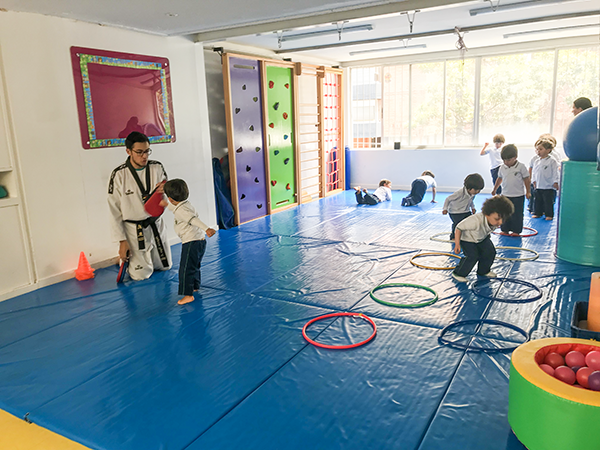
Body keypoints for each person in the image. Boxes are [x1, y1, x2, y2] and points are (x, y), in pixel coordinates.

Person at [108, 132, 172, 280]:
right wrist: (122, 241)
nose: (144, 156)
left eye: (147, 151)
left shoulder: (157, 167)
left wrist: (167, 189)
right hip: (134, 229)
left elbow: (168, 191)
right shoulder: (119, 175)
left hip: (155, 224)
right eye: (139, 152)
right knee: (140, 275)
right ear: (128, 151)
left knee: (165, 266)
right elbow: (114, 211)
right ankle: (128, 259)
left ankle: (147, 257)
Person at [161, 179, 216, 305]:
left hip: (191, 242)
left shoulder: (182, 210)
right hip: (199, 241)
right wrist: (167, 205)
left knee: (185, 269)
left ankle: (188, 295)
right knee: (194, 265)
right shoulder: (185, 205)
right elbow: (178, 210)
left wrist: (207, 228)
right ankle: (195, 286)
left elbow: (192, 219)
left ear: (170, 198)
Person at [452, 195, 515, 283]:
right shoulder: (475, 221)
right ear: (487, 214)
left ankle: (483, 271)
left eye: (503, 220)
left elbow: (486, 230)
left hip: (481, 238)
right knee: (472, 256)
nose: (500, 222)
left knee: (490, 252)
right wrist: (457, 244)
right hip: (467, 239)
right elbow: (458, 228)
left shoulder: (493, 222)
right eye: (497, 219)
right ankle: (458, 273)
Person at [491, 144, 531, 235]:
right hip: (505, 194)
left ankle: (516, 231)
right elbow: (499, 178)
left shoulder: (521, 167)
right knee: (504, 213)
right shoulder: (502, 167)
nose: (506, 162)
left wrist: (528, 192)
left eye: (508, 160)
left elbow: (526, 179)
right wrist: (495, 189)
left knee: (517, 214)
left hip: (518, 195)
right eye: (504, 160)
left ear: (515, 157)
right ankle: (504, 229)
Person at [442, 173, 485, 240]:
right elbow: (448, 199)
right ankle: (453, 237)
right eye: (476, 190)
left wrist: (473, 208)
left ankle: (467, 235)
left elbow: (470, 201)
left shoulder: (472, 194)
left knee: (469, 221)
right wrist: (445, 209)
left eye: (479, 190)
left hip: (466, 210)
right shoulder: (459, 193)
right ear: (468, 188)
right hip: (455, 212)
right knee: (457, 224)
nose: (478, 192)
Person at [530, 138, 560, 220]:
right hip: (539, 185)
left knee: (548, 202)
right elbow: (534, 172)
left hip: (548, 186)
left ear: (548, 150)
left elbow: (555, 172)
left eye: (541, 149)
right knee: (538, 200)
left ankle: (549, 215)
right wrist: (534, 181)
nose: (538, 151)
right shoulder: (537, 161)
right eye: (537, 149)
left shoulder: (552, 161)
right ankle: (538, 213)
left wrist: (556, 182)